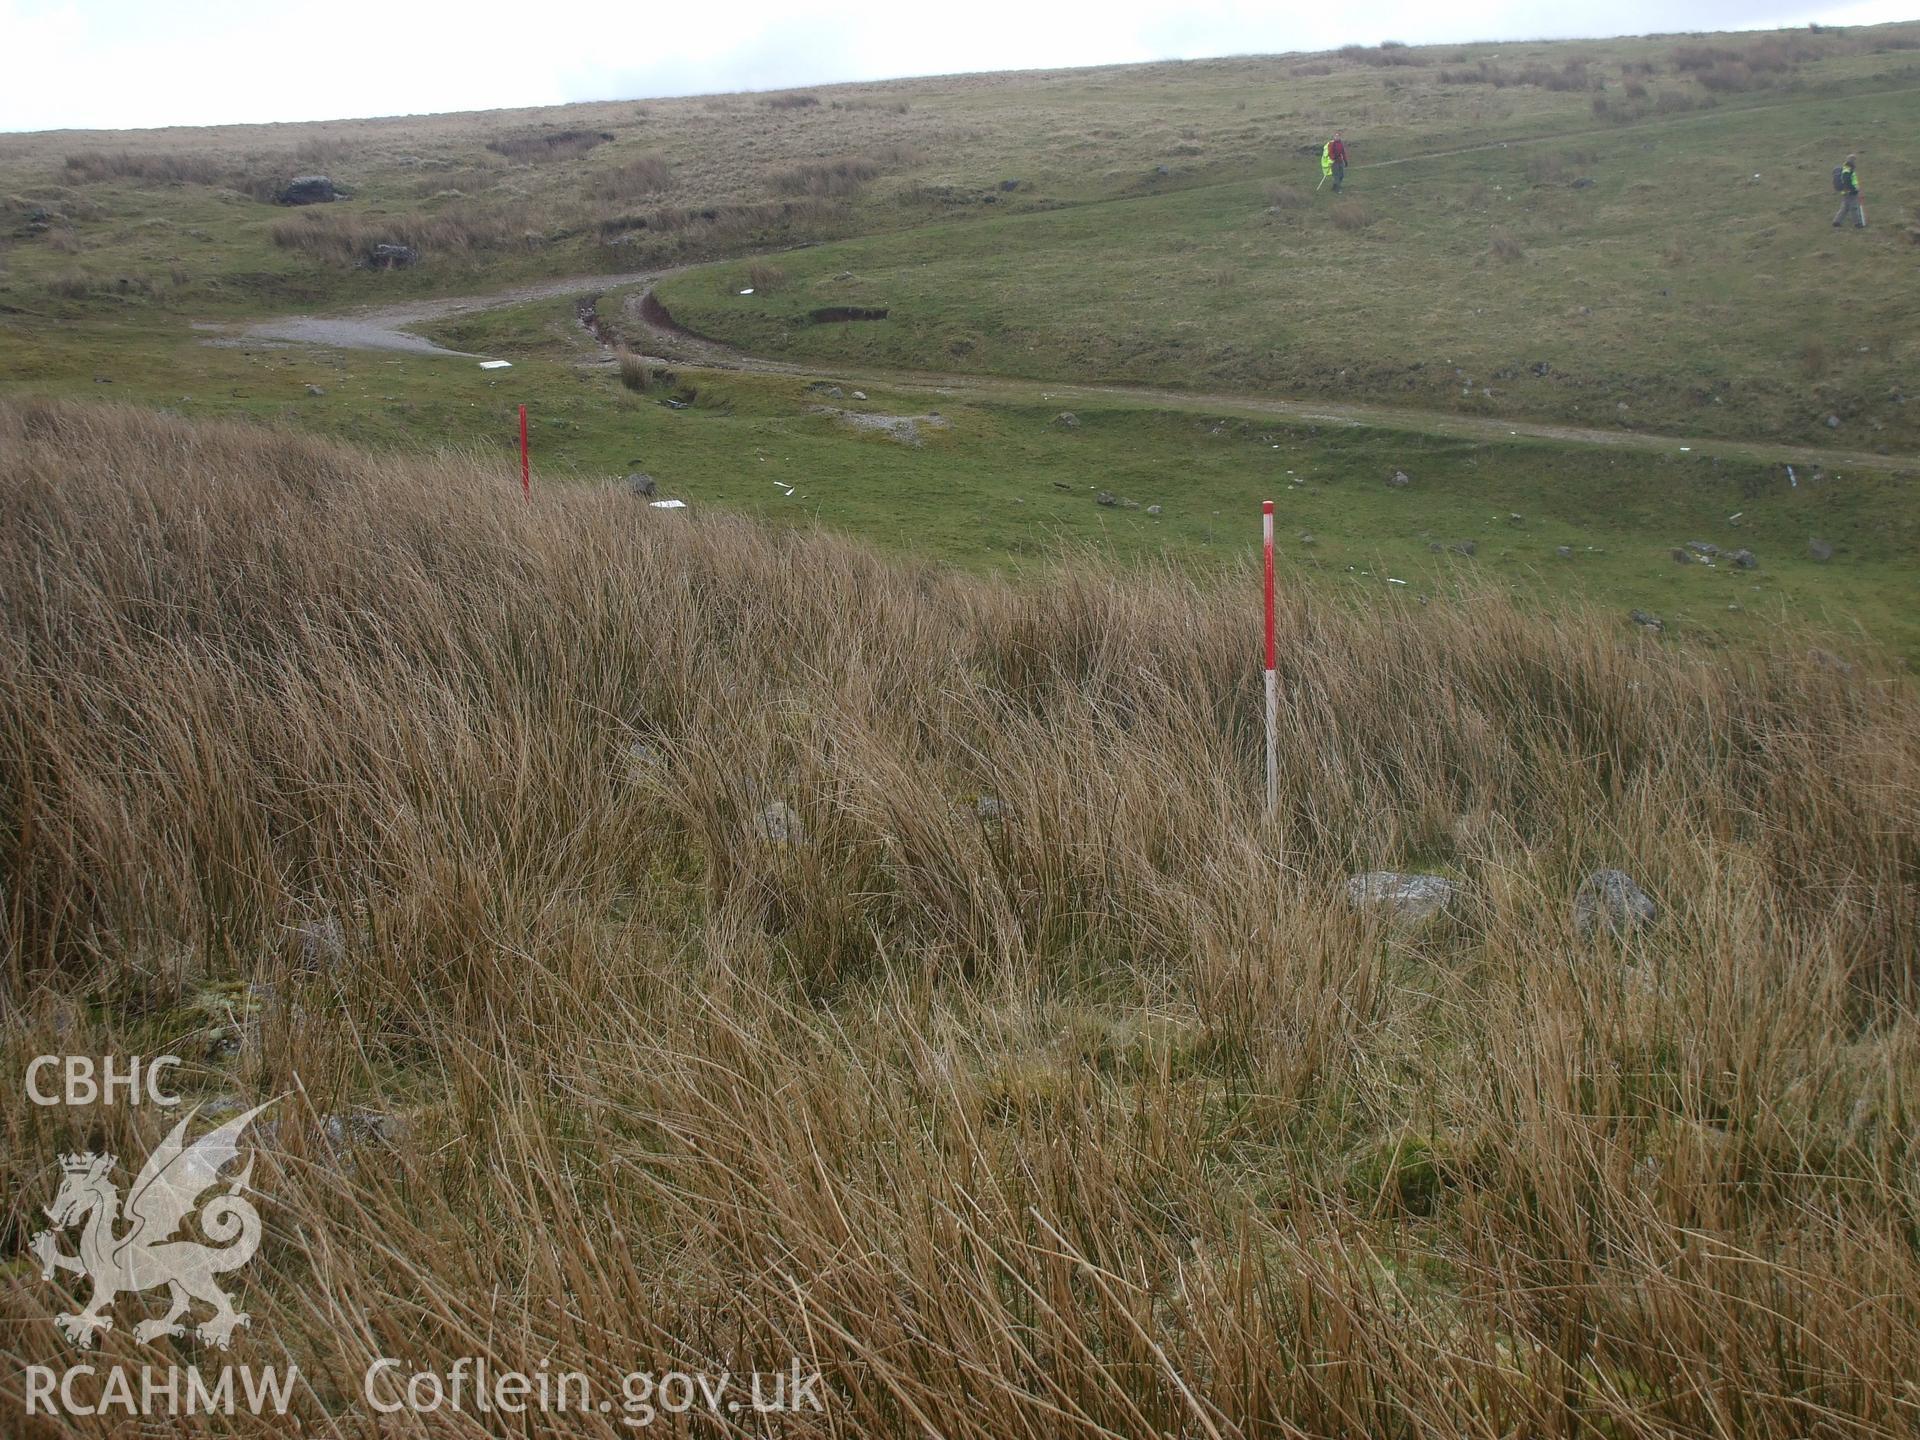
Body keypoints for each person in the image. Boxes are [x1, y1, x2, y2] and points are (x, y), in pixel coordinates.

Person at [1833, 154, 1865, 229]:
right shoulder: (1847, 169)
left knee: (1845, 207)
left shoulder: (1846, 168)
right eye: (1854, 160)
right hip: (1850, 192)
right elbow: (1847, 180)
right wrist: (1854, 189)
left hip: (1846, 192)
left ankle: (1837, 221)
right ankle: (1858, 223)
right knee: (1854, 207)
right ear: (1852, 161)